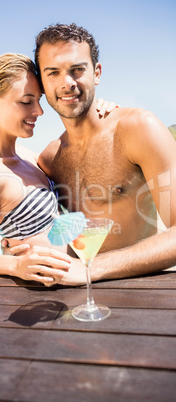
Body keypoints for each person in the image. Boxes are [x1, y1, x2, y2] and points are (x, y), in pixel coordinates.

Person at [0, 53, 115, 285]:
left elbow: (84, 156)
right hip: (42, 293)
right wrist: (13, 265)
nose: (39, 111)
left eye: (38, 100)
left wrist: (102, 114)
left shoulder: (28, 157)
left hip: (80, 278)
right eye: (26, 101)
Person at [32, 23, 176, 284]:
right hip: (82, 297)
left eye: (77, 69)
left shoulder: (138, 128)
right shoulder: (50, 159)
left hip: (148, 292)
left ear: (96, 73)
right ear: (42, 83)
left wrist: (91, 269)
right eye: (53, 72)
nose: (67, 83)